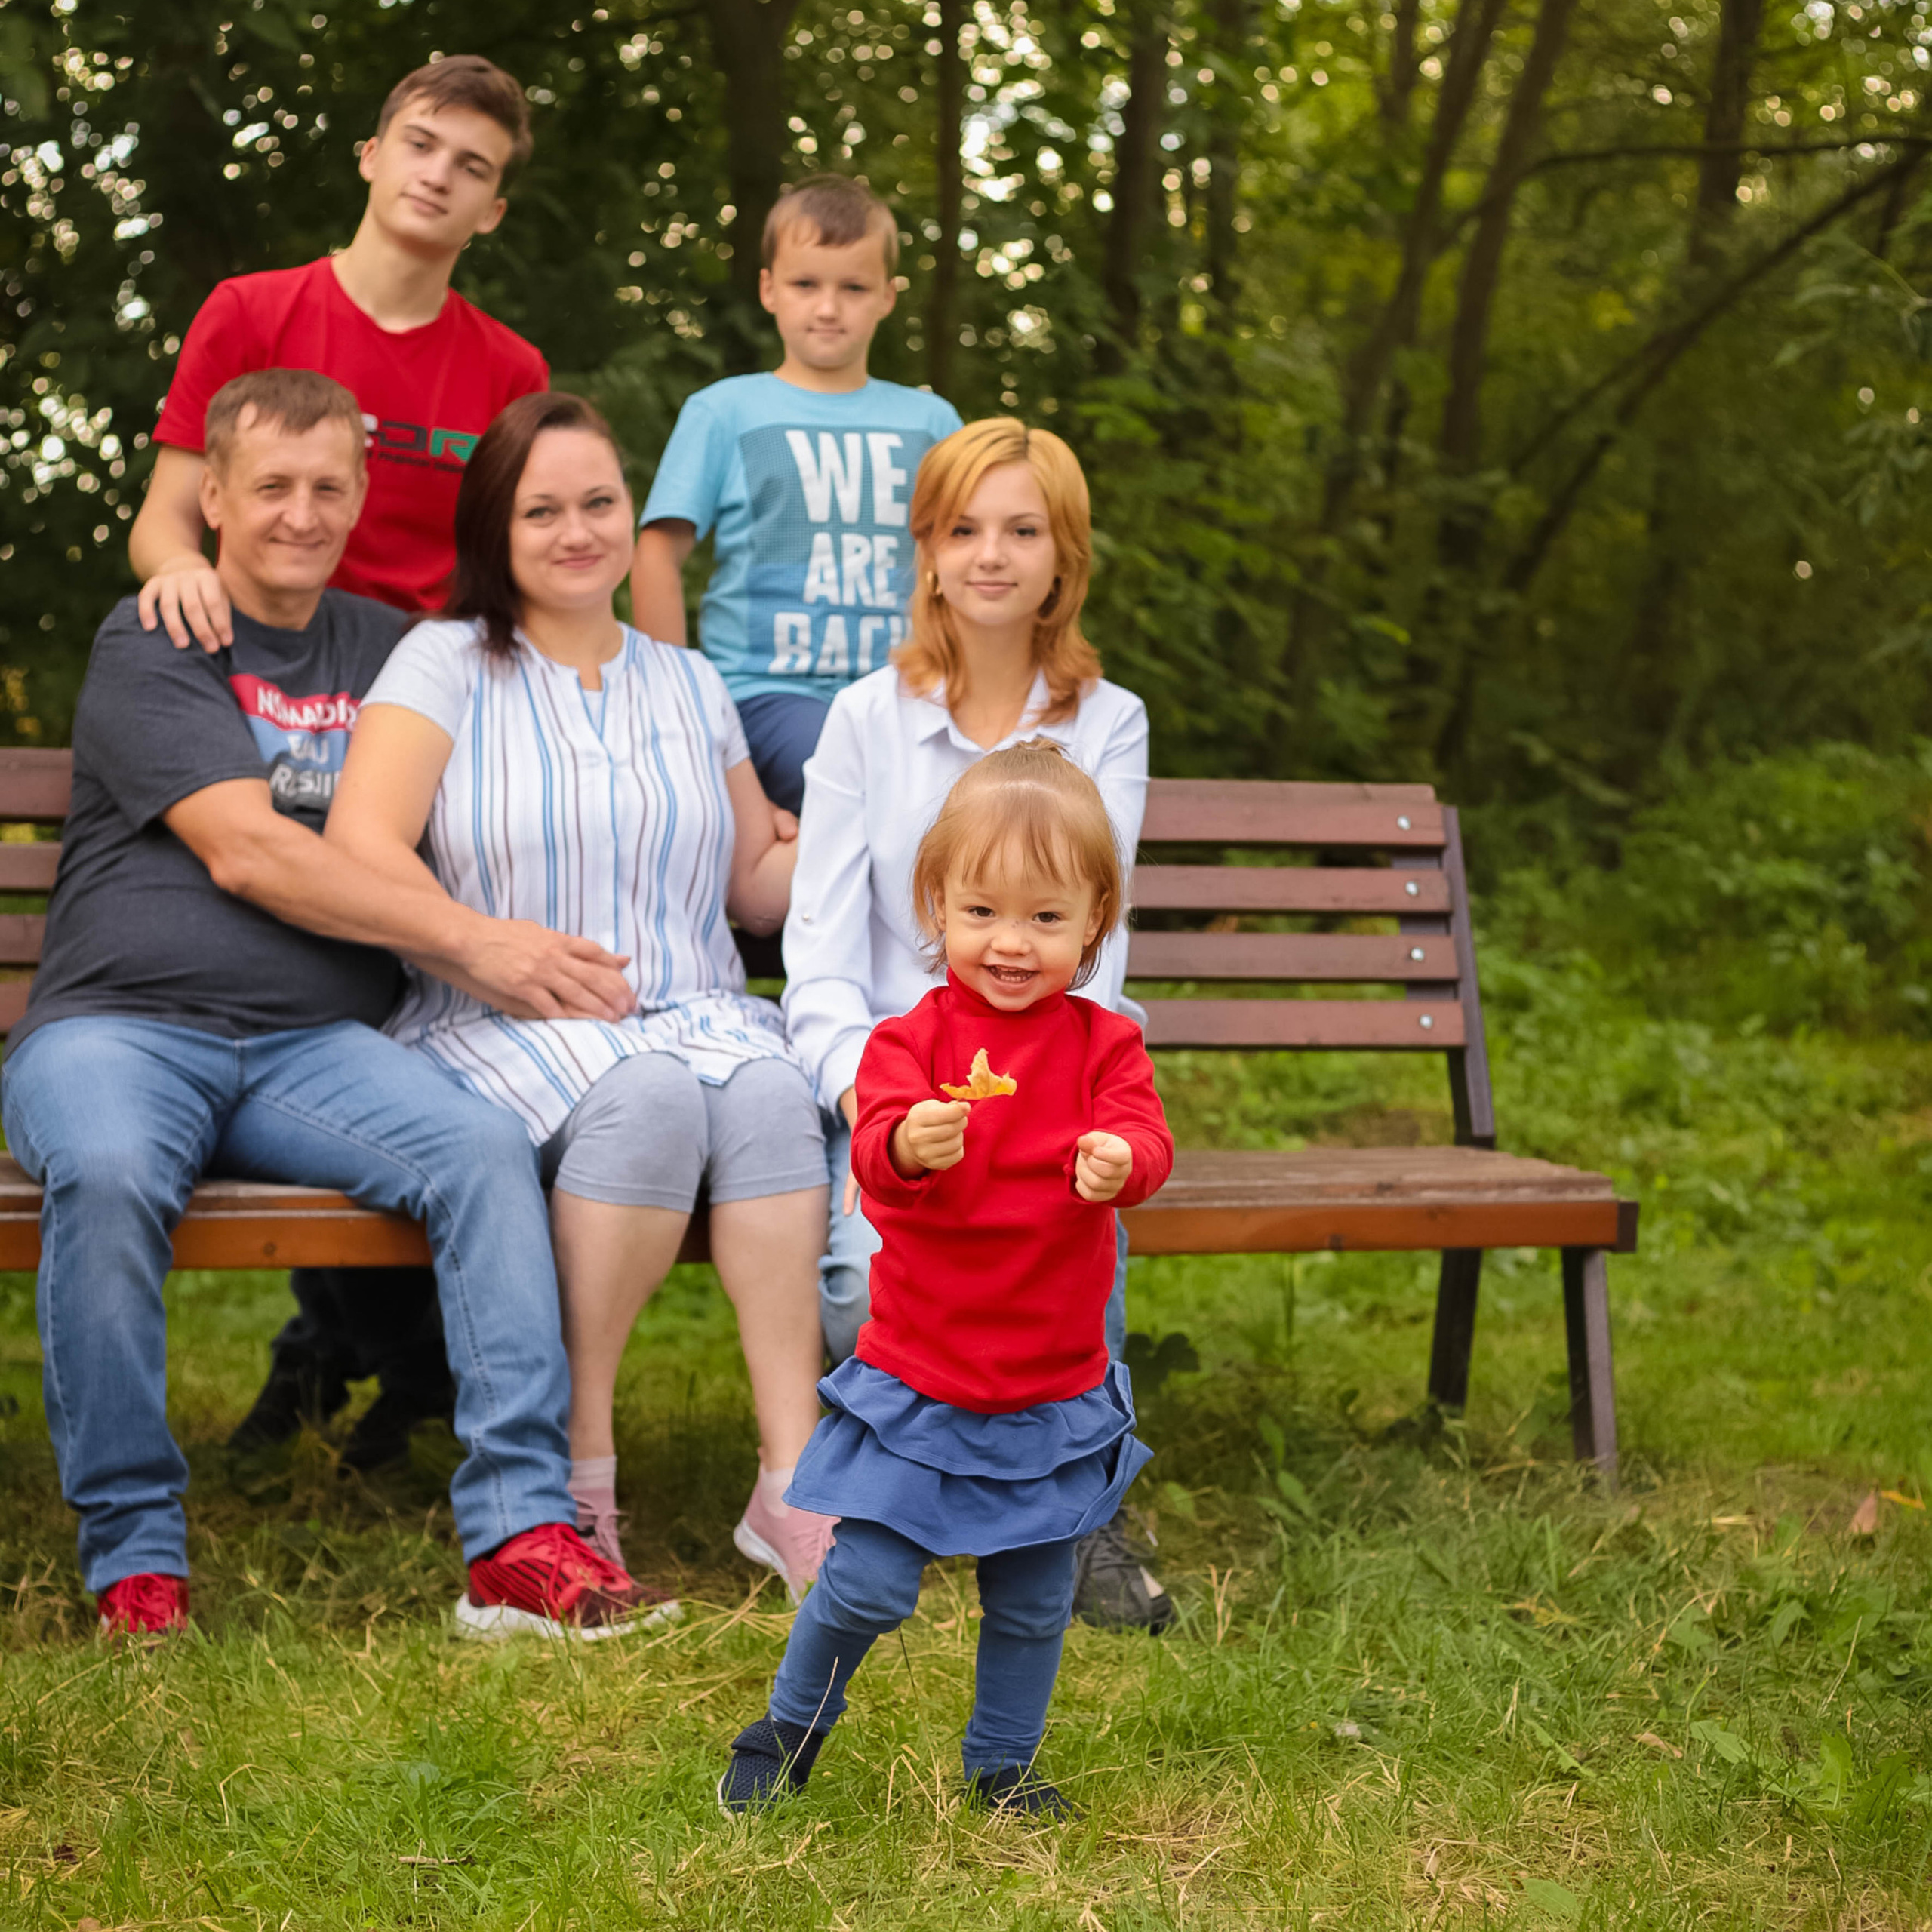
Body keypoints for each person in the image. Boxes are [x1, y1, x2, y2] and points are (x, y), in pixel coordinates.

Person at [2, 369, 664, 1641]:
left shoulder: (392, 652)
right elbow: (250, 851)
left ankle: (524, 1537)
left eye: (327, 487)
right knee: (103, 1165)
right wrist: (481, 947)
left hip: (316, 1049)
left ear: (362, 495)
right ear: (213, 497)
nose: (301, 513)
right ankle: (137, 1564)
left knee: (479, 1152)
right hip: (119, 1029)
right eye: (271, 487)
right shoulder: (156, 633)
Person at [323, 391, 838, 1599]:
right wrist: (482, 946)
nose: (577, 531)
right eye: (540, 508)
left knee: (768, 1093)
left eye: (599, 502)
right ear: (495, 528)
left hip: (691, 1003)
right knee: (651, 1096)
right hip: (500, 1015)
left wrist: (865, 825)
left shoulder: (687, 679)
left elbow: (754, 887)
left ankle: (794, 1481)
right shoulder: (444, 660)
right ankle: (579, 1473)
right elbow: (359, 844)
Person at [128, 54, 552, 1469]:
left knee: (410, 1010)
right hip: (261, 695)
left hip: (424, 718)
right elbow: (162, 525)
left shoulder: (506, 373)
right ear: (371, 155)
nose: (438, 174)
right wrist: (182, 576)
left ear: (493, 206)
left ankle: (391, 1360)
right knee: (307, 979)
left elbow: (507, 566)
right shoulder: (254, 313)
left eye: (471, 165)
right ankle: (349, 1351)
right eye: (420, 145)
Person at [719, 743, 1174, 1817]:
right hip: (924, 1379)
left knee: (1032, 1600)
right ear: (935, 905)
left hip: (1050, 1389)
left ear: (1095, 922)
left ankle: (1003, 1767)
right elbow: (874, 1161)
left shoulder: (1106, 1048)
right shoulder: (910, 1044)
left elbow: (1147, 1145)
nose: (1010, 943)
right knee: (870, 1581)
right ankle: (786, 1728)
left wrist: (1122, 1163)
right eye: (981, 911)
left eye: (1046, 919)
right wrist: (904, 1146)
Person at [781, 417, 1175, 1631]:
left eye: (1023, 529)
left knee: (1072, 1211)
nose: (992, 555)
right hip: (907, 1086)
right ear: (928, 551)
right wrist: (874, 1104)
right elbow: (821, 960)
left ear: (1066, 557)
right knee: (859, 1285)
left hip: (1054, 1065)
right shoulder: (862, 719)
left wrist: (1073, 1118)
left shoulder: (1107, 720)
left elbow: (1089, 952)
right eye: (964, 529)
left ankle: (1080, 1505)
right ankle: (915, 1495)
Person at [629, 174, 963, 817]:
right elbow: (655, 554)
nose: (828, 308)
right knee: (846, 769)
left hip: (910, 694)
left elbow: (967, 564)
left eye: (854, 288)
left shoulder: (932, 424)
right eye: (807, 284)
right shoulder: (725, 411)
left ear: (888, 298)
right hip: (765, 693)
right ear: (769, 289)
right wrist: (677, 705)